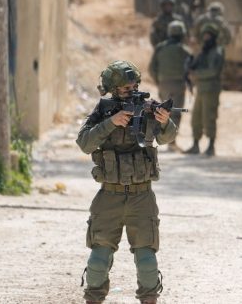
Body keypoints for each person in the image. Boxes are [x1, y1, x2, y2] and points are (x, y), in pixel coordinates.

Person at [76, 60, 178, 304]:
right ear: (112, 89)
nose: (131, 91)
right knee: (98, 259)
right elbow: (84, 143)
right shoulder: (104, 110)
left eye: (133, 86)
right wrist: (111, 123)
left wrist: (165, 121)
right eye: (124, 88)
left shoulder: (148, 108)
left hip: (142, 196)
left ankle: (149, 298)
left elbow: (167, 138)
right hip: (109, 195)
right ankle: (93, 298)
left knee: (146, 260)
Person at [148, 20, 192, 152]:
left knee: (163, 111)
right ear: (182, 34)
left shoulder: (160, 48)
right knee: (175, 113)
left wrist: (158, 81)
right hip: (178, 84)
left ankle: (162, 138)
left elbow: (151, 68)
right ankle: (171, 142)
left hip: (164, 84)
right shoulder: (184, 50)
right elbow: (191, 68)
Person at [185, 23, 224, 156]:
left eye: (208, 36)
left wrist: (196, 74)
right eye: (205, 35)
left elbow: (213, 71)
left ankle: (211, 146)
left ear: (213, 37)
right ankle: (195, 144)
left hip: (211, 89)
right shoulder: (204, 51)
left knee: (209, 117)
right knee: (196, 117)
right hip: (201, 89)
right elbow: (195, 65)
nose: (206, 38)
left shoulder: (217, 52)